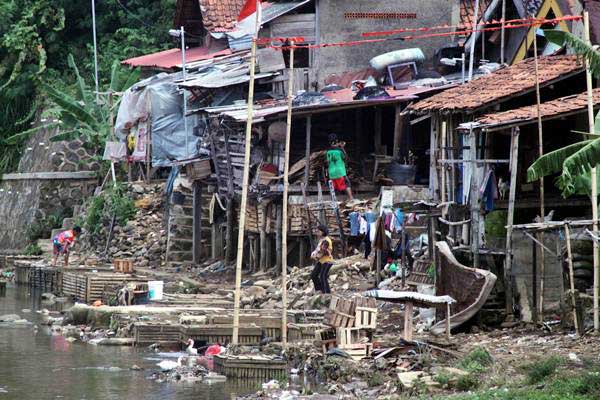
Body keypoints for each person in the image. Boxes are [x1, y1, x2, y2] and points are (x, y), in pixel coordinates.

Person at [326, 133, 353, 200]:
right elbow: (345, 158)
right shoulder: (339, 150)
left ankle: (333, 200)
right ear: (337, 140)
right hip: (340, 172)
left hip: (332, 172)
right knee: (347, 184)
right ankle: (351, 198)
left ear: (329, 142)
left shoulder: (328, 151)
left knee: (333, 187)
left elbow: (327, 161)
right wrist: (342, 148)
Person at [310, 225, 334, 294]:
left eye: (319, 231)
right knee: (313, 275)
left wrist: (316, 257)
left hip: (327, 261)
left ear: (323, 232)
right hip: (321, 261)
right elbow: (318, 249)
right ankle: (319, 290)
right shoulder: (322, 240)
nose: (317, 232)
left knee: (323, 276)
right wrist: (313, 254)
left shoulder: (326, 241)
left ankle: (326, 293)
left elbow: (323, 252)